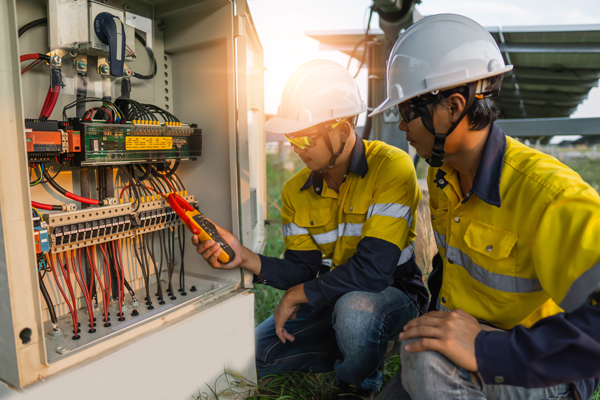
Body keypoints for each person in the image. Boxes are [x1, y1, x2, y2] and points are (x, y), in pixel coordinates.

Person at [370, 13, 600, 400]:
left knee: (425, 361)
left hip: (539, 363)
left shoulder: (548, 196)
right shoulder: (442, 177)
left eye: (407, 111)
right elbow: (452, 266)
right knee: (418, 356)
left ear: (453, 106)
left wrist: (485, 349)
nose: (403, 126)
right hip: (472, 337)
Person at [193, 59, 429, 399]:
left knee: (356, 311)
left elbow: (375, 271)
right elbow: (303, 270)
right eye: (291, 137)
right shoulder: (295, 191)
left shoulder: (391, 167)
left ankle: (357, 383)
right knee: (254, 356)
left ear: (344, 131)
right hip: (331, 296)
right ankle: (353, 348)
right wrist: (245, 257)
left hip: (393, 296)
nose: (296, 148)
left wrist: (298, 295)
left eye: (305, 138)